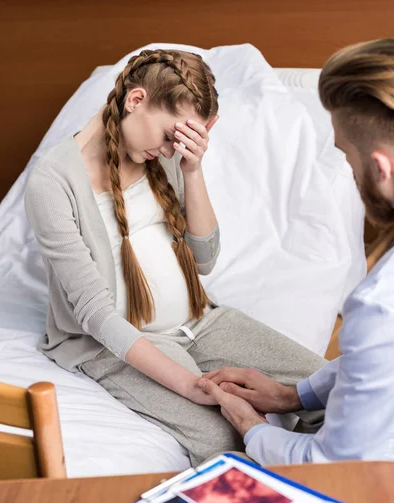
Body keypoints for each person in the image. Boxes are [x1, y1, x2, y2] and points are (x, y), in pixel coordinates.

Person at [25, 48, 325, 468]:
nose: (171, 149)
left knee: (335, 394)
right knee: (225, 435)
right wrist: (190, 385)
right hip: (118, 345)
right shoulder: (52, 181)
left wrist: (192, 170)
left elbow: (204, 260)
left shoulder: (164, 161)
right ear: (135, 100)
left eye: (182, 140)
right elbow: (95, 314)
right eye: (170, 135)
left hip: (204, 320)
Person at [199, 38, 394, 465]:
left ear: (381, 169)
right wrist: (292, 395)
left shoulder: (379, 307)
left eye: (346, 157)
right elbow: (383, 363)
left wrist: (254, 429)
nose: (350, 172)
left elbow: (336, 470)